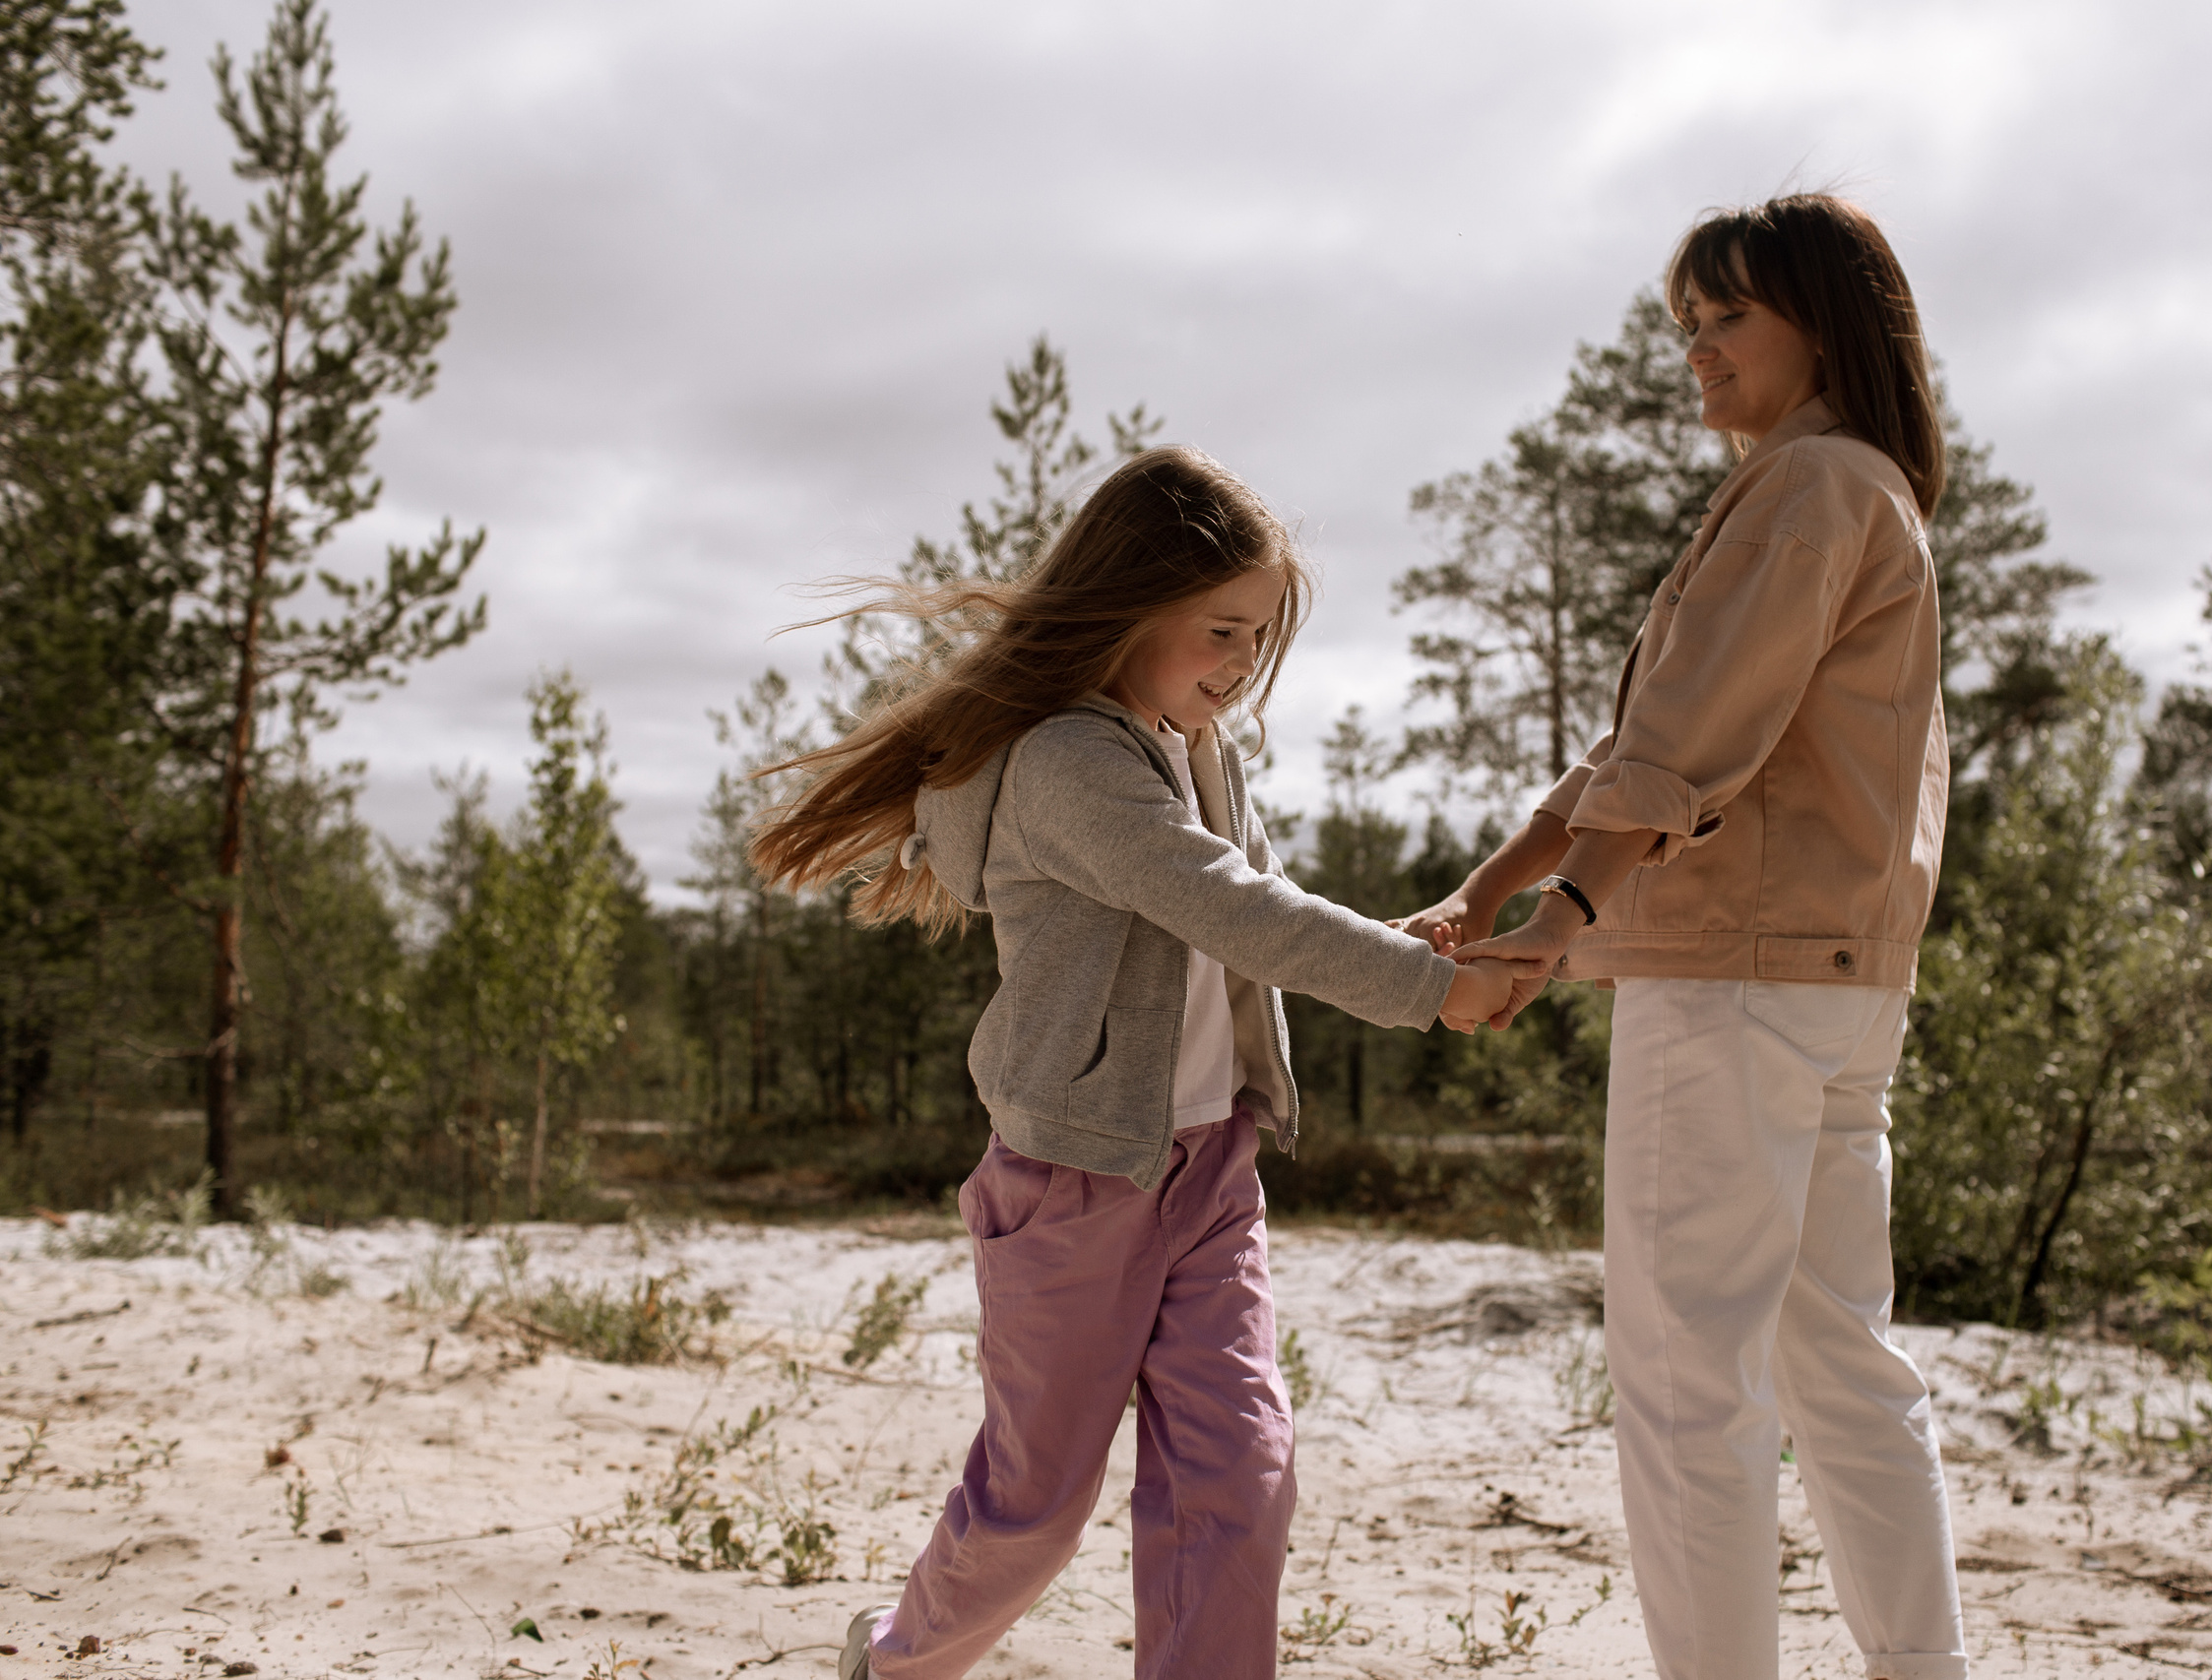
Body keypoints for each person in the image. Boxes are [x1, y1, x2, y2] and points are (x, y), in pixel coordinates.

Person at [750, 445, 1527, 1680]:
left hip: (1211, 1172)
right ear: (1126, 608)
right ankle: (896, 1662)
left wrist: (1407, 941)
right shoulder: (1067, 761)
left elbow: (1258, 899)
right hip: (1075, 1181)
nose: (1238, 668)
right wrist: (1430, 991)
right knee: (1036, 1506)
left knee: (1242, 1478)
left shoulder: (1194, 744)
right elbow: (1228, 907)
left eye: (1258, 642)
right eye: (1221, 632)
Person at [1408, 194, 1969, 1680]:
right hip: (1837, 985)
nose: (1700, 353)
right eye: (1689, 325)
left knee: (1683, 1383)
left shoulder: (1807, 489)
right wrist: (1495, 884)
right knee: (1845, 1366)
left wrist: (1564, 912)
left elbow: (1681, 746)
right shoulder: (1863, 490)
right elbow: (1635, 751)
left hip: (1730, 980)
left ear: (1823, 323)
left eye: (1729, 318)